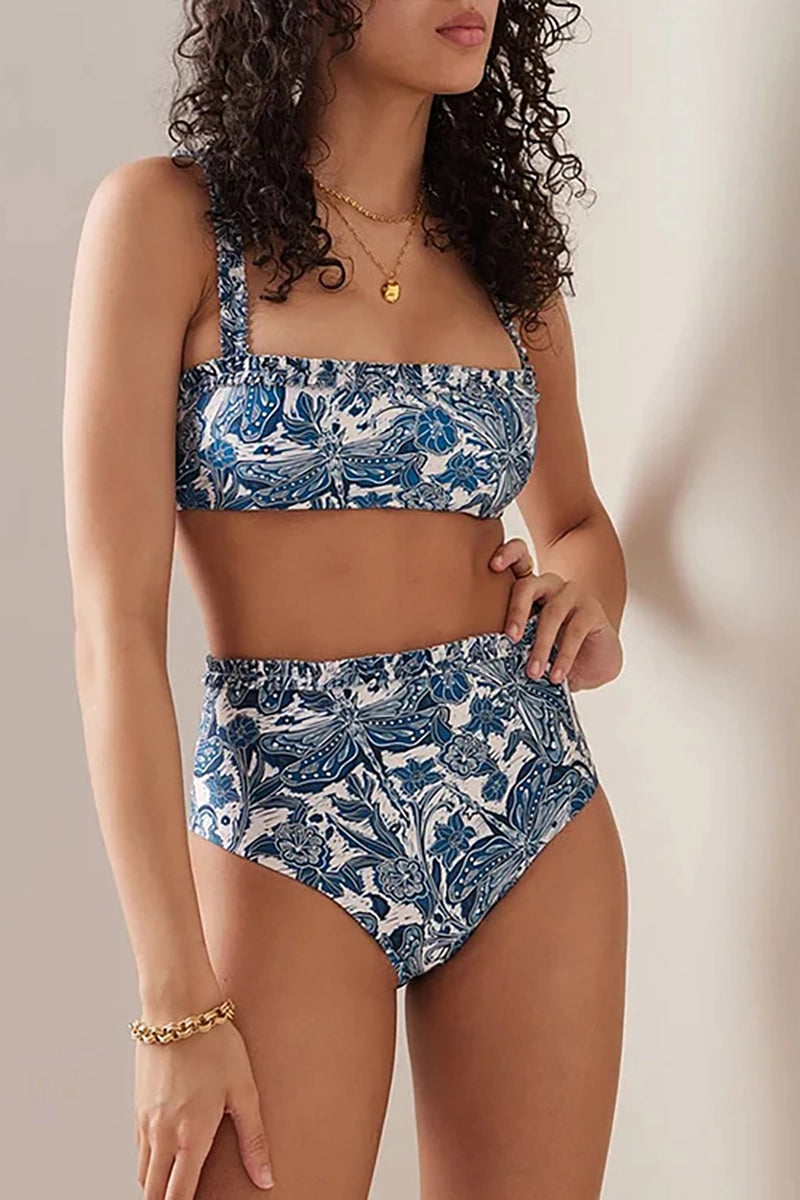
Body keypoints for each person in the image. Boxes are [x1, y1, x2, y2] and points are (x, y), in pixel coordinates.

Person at [63, 2, 629, 1197]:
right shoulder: (168, 222)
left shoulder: (503, 260)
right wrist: (173, 1002)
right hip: (284, 814)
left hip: (525, 797)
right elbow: (114, 629)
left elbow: (575, 520)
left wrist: (583, 593)